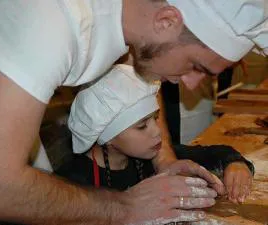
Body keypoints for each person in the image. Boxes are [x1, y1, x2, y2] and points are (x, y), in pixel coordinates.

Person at [0, 0, 267, 224]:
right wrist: (124, 208)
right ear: (166, 20)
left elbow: (139, 78)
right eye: (196, 67)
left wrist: (164, 161)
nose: (191, 84)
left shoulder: (131, 18)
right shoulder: (50, 23)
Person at [55, 64, 254, 205]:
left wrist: (235, 164)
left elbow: (217, 153)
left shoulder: (146, 159)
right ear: (107, 137)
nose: (157, 131)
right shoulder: (70, 184)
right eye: (142, 126)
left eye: (155, 118)